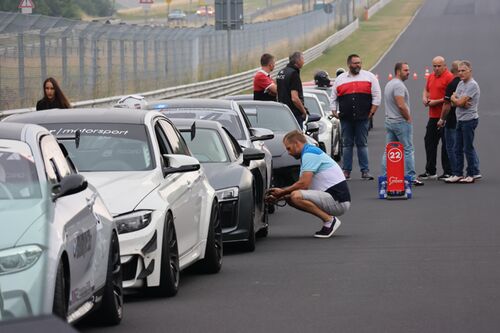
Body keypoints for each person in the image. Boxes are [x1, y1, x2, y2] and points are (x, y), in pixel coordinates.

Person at [266, 130, 351, 238]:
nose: (289, 152)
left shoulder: (309, 154)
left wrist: (282, 192)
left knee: (295, 196)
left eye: (289, 148)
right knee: (291, 197)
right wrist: (278, 198)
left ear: (297, 144)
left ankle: (330, 220)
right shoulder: (309, 152)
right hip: (334, 198)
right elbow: (305, 190)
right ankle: (329, 220)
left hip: (338, 201)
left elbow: (303, 185)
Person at [330, 54, 381, 180]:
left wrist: (372, 112)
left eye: (359, 62)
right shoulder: (340, 79)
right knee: (346, 145)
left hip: (363, 117)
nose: (358, 65)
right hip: (346, 118)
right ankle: (346, 171)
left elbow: (377, 96)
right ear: (349, 65)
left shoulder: (369, 77)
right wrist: (334, 111)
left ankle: (365, 171)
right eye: (355, 63)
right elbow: (333, 97)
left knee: (362, 144)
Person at [381, 62, 423, 186]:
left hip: (390, 121)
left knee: (388, 150)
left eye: (408, 70)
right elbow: (400, 104)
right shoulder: (398, 85)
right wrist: (408, 118)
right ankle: (411, 176)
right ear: (398, 71)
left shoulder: (389, 83)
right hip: (400, 121)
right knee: (408, 149)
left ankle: (384, 176)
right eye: (405, 70)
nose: (408, 72)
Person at [418, 56, 454, 180]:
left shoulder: (449, 77)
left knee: (446, 144)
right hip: (433, 116)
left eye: (439, 66)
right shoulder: (431, 76)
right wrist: (425, 97)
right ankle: (430, 170)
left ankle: (448, 171)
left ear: (445, 66)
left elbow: (450, 97)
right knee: (429, 142)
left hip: (444, 116)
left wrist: (435, 102)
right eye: (434, 66)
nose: (436, 68)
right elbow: (426, 89)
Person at [447, 60, 481, 183]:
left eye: (463, 71)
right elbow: (453, 101)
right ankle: (458, 174)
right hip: (460, 119)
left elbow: (459, 102)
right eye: (459, 71)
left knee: (467, 148)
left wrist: (457, 100)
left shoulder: (472, 85)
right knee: (457, 148)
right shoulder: (460, 84)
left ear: (469, 71)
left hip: (469, 120)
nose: (460, 73)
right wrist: (456, 100)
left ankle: (471, 174)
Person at [437, 60, 462, 182]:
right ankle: (472, 171)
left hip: (452, 120)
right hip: (463, 119)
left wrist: (441, 119)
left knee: (450, 147)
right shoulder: (465, 83)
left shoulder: (452, 84)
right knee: (463, 146)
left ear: (452, 70)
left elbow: (446, 105)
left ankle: (455, 172)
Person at [276, 51, 308, 129]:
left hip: (282, 112)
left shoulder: (281, 72)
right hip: (293, 114)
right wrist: (304, 111)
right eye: (302, 58)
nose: (304, 61)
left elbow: (278, 94)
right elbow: (294, 98)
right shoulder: (294, 74)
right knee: (297, 139)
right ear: (298, 61)